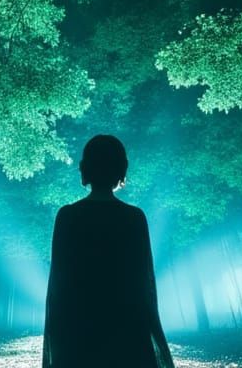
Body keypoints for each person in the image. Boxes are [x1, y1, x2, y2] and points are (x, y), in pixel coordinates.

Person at [42, 135, 175, 368]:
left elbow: (58, 286)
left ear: (85, 169)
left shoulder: (67, 216)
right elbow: (145, 285)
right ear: (121, 170)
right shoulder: (135, 218)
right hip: (127, 333)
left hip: (78, 334)